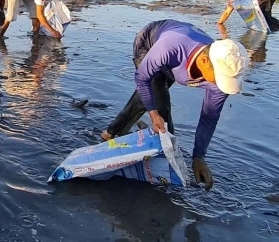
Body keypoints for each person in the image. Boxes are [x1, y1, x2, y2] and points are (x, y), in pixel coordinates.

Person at [101, 20, 251, 190]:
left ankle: (111, 133)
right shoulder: (171, 46)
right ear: (203, 61)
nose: (220, 84)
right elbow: (142, 78)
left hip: (176, 64)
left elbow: (209, 118)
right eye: (220, 78)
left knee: (153, 97)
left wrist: (199, 157)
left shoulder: (222, 76)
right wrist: (153, 114)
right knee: (160, 108)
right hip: (149, 43)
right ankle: (165, 158)